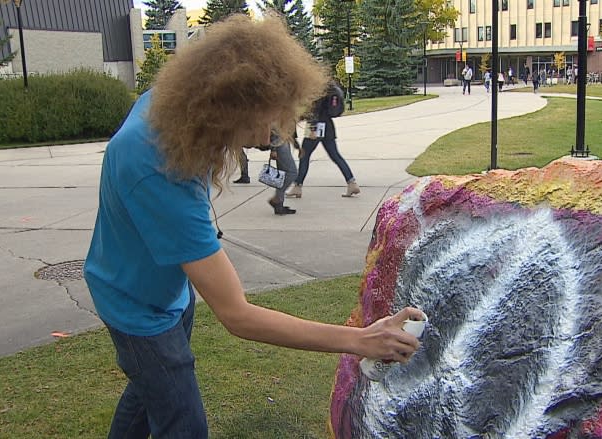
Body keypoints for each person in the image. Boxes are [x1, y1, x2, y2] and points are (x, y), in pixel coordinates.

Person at [83, 15, 422, 438]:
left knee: (146, 394)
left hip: (169, 291)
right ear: (229, 104)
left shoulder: (177, 111)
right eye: (269, 119)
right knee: (183, 423)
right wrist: (359, 340)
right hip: (136, 307)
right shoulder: (154, 164)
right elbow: (237, 315)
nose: (274, 132)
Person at [286, 82, 360, 199]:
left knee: (304, 156)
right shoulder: (330, 88)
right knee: (336, 156)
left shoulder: (317, 87)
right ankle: (352, 183)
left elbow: (315, 109)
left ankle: (297, 186)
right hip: (328, 126)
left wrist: (313, 128)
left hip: (315, 126)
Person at [266, 132, 298, 215]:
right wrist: (273, 149)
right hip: (279, 144)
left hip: (283, 141)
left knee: (283, 174)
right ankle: (276, 200)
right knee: (292, 173)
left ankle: (279, 205)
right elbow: (273, 129)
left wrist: (296, 144)